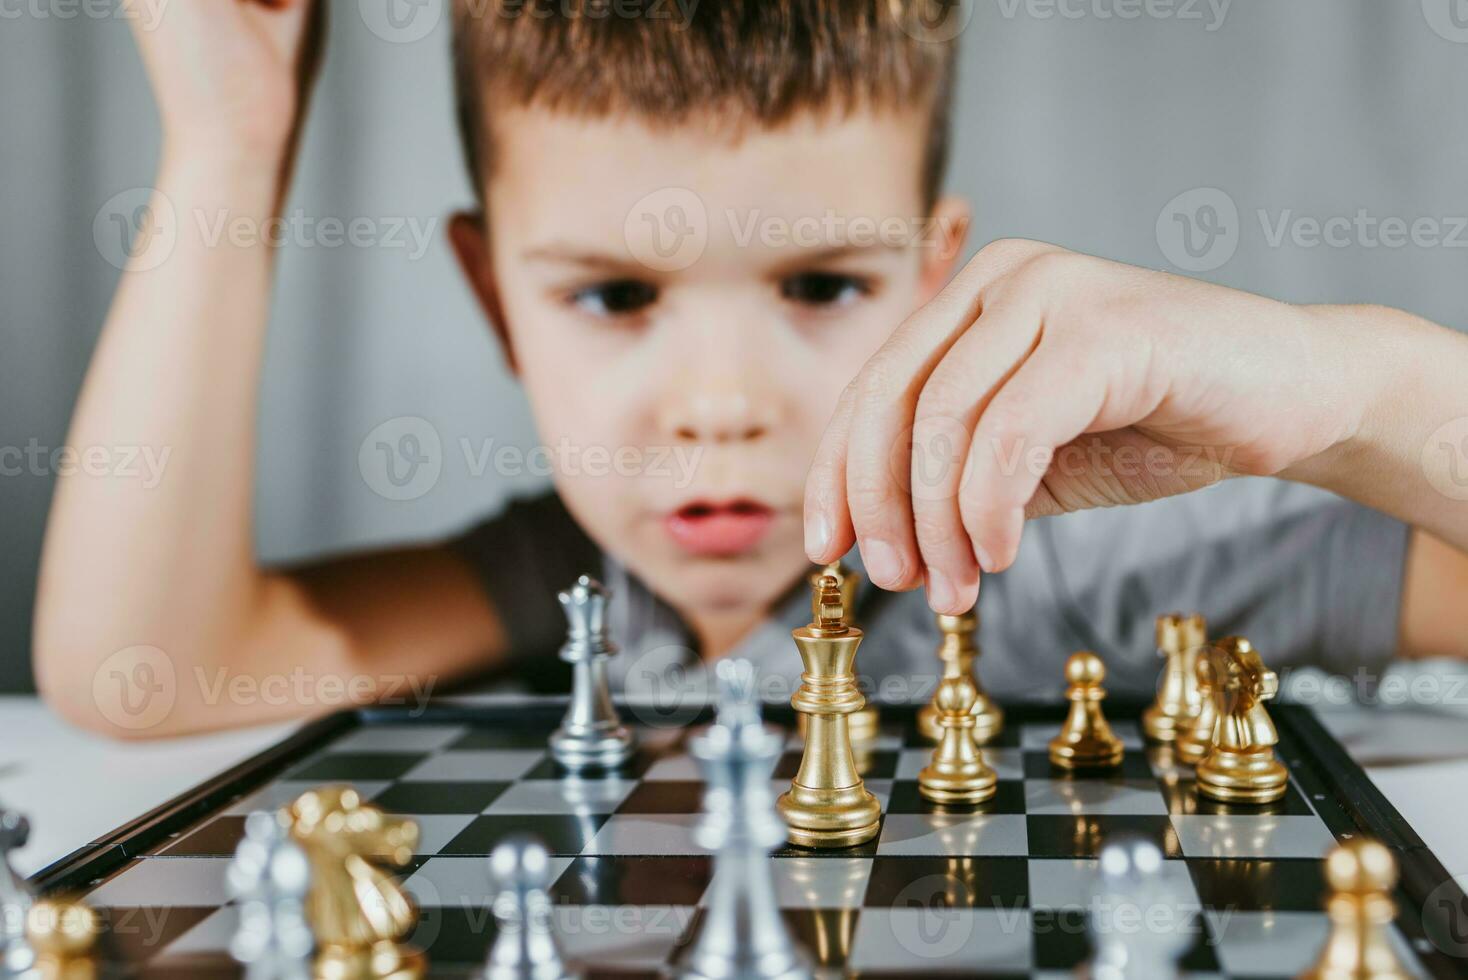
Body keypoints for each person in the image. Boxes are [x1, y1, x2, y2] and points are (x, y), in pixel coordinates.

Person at [33, 0, 1468, 738]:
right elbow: (141, 676)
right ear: (493, 298)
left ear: (932, 271)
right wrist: (228, 140)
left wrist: (1356, 388)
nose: (720, 407)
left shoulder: (1084, 575)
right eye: (614, 294)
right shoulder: (573, 577)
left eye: (821, 284)